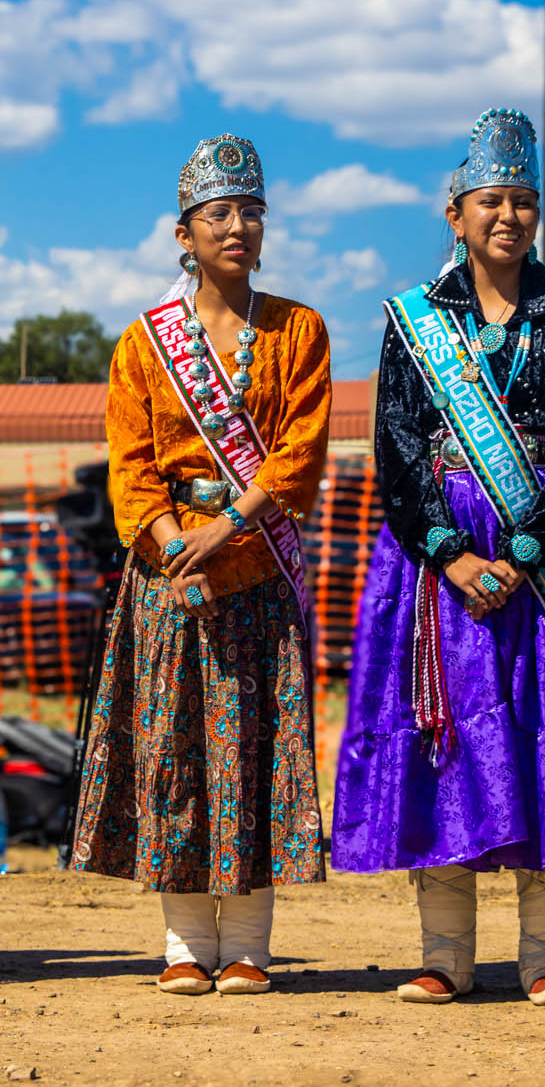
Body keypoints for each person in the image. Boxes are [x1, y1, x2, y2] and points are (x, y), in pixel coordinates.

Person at [332, 109, 545, 1007]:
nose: (509, 216)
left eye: (524, 201)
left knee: (540, 738)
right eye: (491, 200)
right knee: (441, 739)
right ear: (455, 213)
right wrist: (451, 554)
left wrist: (525, 550)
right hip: (435, 571)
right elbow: (398, 446)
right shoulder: (416, 321)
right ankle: (445, 953)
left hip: (538, 555)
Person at [71, 135, 330, 996]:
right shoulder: (144, 344)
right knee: (175, 748)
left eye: (252, 212)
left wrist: (229, 529)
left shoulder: (300, 331)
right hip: (170, 576)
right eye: (219, 213)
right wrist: (171, 538)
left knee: (254, 749)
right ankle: (185, 943)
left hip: (254, 568)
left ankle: (250, 942)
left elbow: (298, 453)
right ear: (183, 233)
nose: (239, 227)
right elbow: (129, 464)